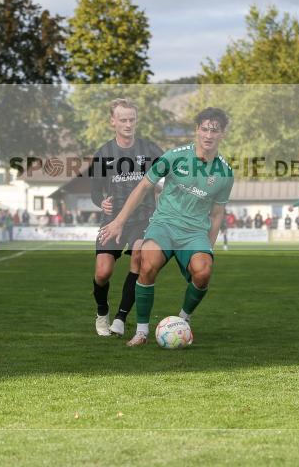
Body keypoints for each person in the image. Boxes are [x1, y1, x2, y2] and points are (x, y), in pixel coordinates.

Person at [98, 107, 234, 347]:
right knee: (146, 263)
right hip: (164, 225)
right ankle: (141, 331)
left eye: (215, 130)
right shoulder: (175, 156)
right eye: (204, 129)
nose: (208, 135)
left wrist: (208, 249)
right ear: (197, 130)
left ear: (222, 133)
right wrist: (119, 220)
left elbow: (217, 214)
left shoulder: (225, 173)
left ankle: (183, 321)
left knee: (203, 272)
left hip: (194, 233)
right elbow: (142, 187)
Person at [89, 98, 164, 337]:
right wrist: (100, 202)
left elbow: (169, 175)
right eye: (123, 120)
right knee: (102, 273)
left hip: (143, 219)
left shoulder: (150, 150)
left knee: (140, 257)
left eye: (132, 119)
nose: (128, 124)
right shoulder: (103, 153)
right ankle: (102, 312)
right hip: (112, 221)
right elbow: (93, 190)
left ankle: (121, 318)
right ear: (113, 122)